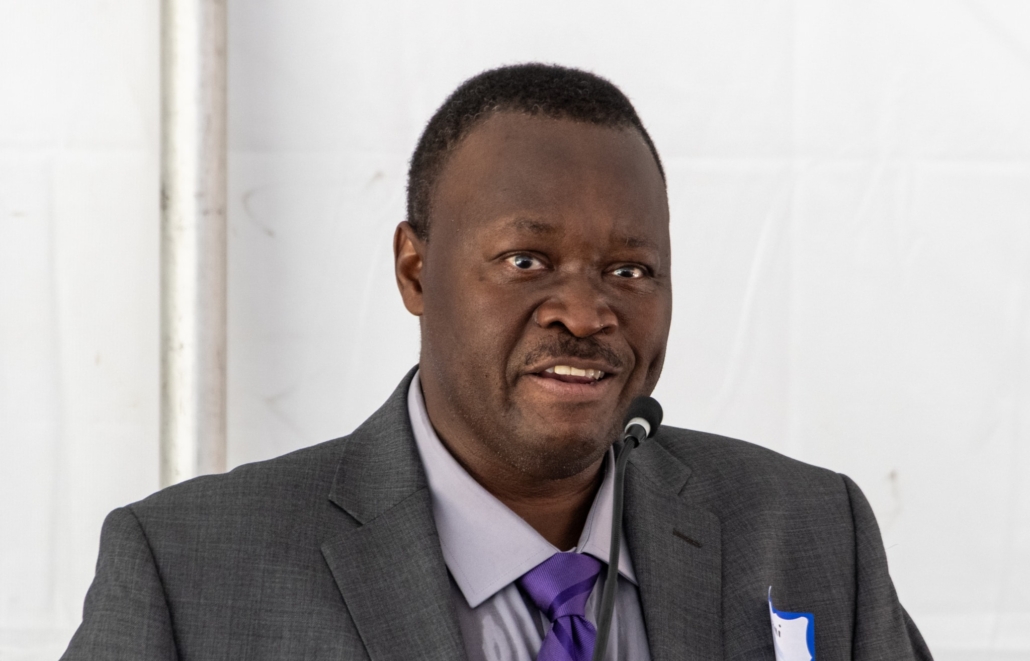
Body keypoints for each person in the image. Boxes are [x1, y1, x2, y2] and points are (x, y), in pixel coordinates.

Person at [62, 64, 932, 661]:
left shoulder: (813, 533)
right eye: (527, 261)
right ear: (414, 269)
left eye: (629, 271)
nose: (587, 313)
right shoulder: (189, 570)